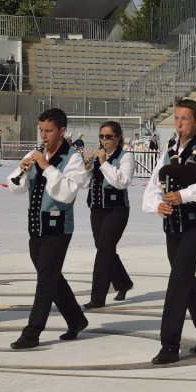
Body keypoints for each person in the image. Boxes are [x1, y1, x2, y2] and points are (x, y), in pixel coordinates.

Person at [144, 99, 196, 364]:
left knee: (178, 282)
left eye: (185, 119)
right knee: (186, 281)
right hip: (172, 225)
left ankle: (170, 344)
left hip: (195, 225)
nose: (179, 124)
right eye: (177, 119)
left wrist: (184, 195)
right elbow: (155, 182)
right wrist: (157, 204)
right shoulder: (170, 149)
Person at [7, 108, 90, 349]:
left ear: (62, 131)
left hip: (58, 227)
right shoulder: (39, 154)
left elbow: (66, 193)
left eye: (49, 131)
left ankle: (32, 332)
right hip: (36, 226)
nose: (44, 136)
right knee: (51, 277)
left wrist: (47, 167)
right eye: (41, 130)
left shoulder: (72, 157)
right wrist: (24, 171)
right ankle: (76, 319)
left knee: (45, 281)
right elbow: (16, 188)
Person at [82, 121, 135, 310]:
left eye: (108, 137)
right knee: (104, 247)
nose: (104, 140)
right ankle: (123, 282)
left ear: (117, 138)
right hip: (97, 209)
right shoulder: (97, 157)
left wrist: (104, 163)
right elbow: (82, 183)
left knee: (104, 249)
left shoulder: (126, 157)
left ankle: (98, 297)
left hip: (117, 209)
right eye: (101, 136)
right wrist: (86, 167)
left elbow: (122, 182)